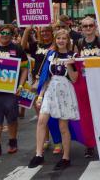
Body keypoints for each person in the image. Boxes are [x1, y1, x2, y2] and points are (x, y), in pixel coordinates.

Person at [28, 29, 80, 170]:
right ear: (55, 40)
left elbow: (74, 78)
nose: (61, 41)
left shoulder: (73, 56)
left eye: (64, 38)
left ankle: (66, 157)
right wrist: (40, 96)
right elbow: (46, 77)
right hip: (50, 90)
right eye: (58, 38)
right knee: (41, 121)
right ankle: (38, 154)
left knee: (63, 126)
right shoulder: (51, 54)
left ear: (68, 40)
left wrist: (69, 64)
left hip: (65, 91)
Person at [0, 24, 28, 158]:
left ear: (12, 35)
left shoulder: (18, 49)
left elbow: (25, 69)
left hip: (11, 92)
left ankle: (12, 142)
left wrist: (21, 86)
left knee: (12, 118)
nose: (4, 35)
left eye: (8, 33)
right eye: (2, 32)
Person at [74, 16, 100, 158]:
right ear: (81, 28)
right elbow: (75, 63)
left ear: (95, 26)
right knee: (86, 115)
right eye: (85, 26)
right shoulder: (79, 43)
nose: (88, 28)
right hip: (85, 84)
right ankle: (90, 145)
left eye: (90, 25)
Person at [21, 25, 61, 153]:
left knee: (53, 114)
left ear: (51, 32)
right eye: (42, 31)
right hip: (37, 84)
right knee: (41, 115)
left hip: (51, 83)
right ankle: (45, 140)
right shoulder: (36, 46)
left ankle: (58, 142)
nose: (44, 34)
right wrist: (27, 30)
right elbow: (22, 47)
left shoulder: (56, 46)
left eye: (47, 31)